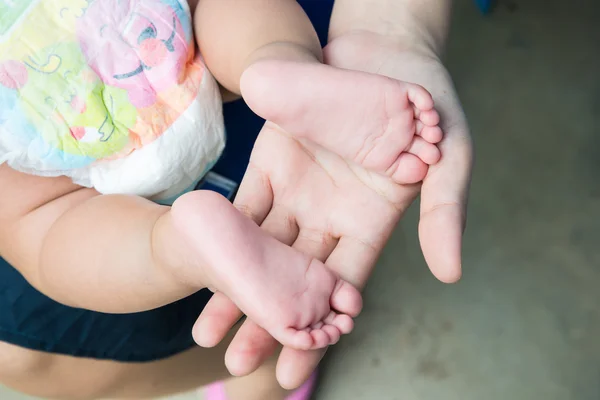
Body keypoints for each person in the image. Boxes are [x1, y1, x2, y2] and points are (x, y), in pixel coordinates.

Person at [0, 0, 472, 399]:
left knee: (46, 225)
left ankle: (174, 247)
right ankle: (278, 69)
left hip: (31, 109)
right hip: (150, 28)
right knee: (228, 11)